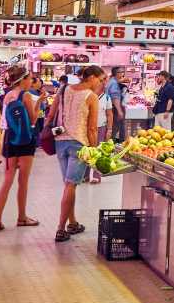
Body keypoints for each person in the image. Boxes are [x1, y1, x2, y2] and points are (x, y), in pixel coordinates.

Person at [53, 64, 106, 242]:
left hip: (60, 142)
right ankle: (60, 228)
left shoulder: (64, 89)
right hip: (79, 145)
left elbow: (52, 112)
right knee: (70, 185)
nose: (102, 83)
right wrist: (94, 151)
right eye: (100, 79)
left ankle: (73, 222)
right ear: (91, 78)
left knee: (69, 185)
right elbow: (92, 128)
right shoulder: (91, 97)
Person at [0, 66, 40, 231]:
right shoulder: (25, 95)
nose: (32, 82)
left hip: (10, 139)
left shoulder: (7, 96)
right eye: (30, 78)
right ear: (23, 80)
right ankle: (22, 217)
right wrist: (39, 102)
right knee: (23, 182)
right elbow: (33, 120)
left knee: (7, 180)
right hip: (26, 140)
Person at [89, 84, 113, 184]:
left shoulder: (107, 98)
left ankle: (96, 175)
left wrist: (109, 129)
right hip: (88, 128)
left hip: (101, 127)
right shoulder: (88, 96)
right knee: (87, 151)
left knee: (99, 152)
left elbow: (109, 114)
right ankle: (85, 175)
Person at [106, 67, 126, 142]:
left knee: (115, 127)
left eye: (122, 72)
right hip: (115, 108)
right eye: (120, 72)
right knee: (115, 128)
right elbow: (115, 98)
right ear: (115, 74)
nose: (122, 74)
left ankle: (112, 143)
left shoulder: (112, 81)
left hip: (112, 107)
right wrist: (119, 110)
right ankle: (113, 145)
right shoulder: (114, 83)